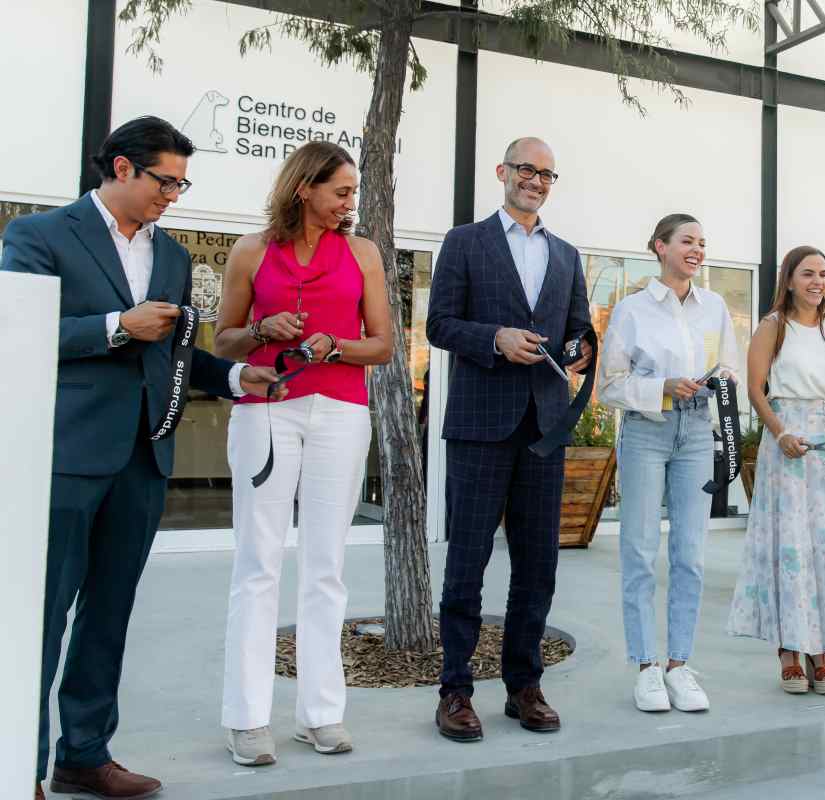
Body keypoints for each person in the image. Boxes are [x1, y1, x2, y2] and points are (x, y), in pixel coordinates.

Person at [1, 116, 281, 800]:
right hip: (65, 457)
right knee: (39, 617)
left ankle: (84, 755)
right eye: (166, 180)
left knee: (110, 614)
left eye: (183, 184)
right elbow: (17, 333)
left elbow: (174, 350)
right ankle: (18, 768)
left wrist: (236, 376)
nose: (173, 195)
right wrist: (114, 327)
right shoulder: (39, 236)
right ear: (122, 168)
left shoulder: (174, 257)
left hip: (144, 458)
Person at [213, 141, 393, 765]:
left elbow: (382, 345)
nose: (349, 202)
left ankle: (320, 714)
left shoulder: (362, 253)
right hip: (266, 410)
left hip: (340, 411)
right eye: (341, 191)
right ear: (303, 189)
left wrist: (333, 345)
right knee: (257, 563)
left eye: (352, 191)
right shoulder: (251, 251)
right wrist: (261, 331)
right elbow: (223, 341)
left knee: (325, 565)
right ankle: (246, 718)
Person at [426, 137, 593, 742]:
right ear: (502, 172)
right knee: (466, 563)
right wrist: (495, 338)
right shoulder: (464, 242)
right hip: (479, 425)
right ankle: (455, 690)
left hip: (544, 429)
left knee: (538, 565)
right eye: (528, 169)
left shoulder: (567, 255)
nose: (537, 181)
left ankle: (524, 686)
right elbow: (439, 324)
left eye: (547, 174)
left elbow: (579, 331)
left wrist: (580, 351)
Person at [598, 213, 738, 713]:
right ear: (660, 247)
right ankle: (646, 667)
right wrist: (662, 387)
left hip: (698, 431)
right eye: (686, 241)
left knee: (690, 555)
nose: (697, 250)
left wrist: (718, 378)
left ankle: (680, 665)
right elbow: (609, 386)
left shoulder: (714, 307)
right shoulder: (632, 309)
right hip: (647, 431)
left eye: (702, 243)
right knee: (639, 551)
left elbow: (731, 366)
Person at [728, 246, 825, 695]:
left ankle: (823, 650)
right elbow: (755, 390)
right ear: (790, 280)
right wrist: (780, 433)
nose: (817, 282)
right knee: (792, 546)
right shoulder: (772, 327)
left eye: (823, 274)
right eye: (808, 273)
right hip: (788, 442)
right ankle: (790, 649)